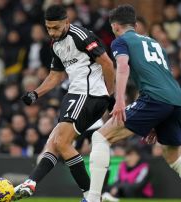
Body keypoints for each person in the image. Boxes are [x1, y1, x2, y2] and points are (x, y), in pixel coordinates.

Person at [86, 5, 181, 202]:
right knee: (174, 157)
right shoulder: (154, 43)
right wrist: (157, 118)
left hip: (155, 98)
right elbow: (160, 76)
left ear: (114, 26)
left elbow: (122, 68)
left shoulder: (120, 41)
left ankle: (92, 198)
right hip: (175, 99)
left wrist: (120, 100)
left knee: (100, 137)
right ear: (135, 25)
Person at [14, 4, 115, 201]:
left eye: (56, 28)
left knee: (61, 142)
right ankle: (31, 183)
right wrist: (36, 93)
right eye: (48, 28)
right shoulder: (56, 44)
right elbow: (55, 76)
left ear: (67, 22)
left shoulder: (81, 36)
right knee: (54, 142)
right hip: (77, 95)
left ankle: (92, 196)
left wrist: (109, 95)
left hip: (88, 95)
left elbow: (107, 63)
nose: (52, 32)